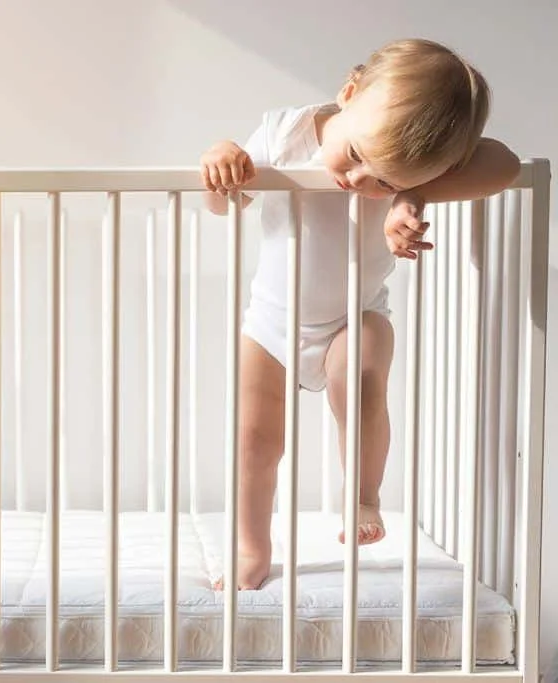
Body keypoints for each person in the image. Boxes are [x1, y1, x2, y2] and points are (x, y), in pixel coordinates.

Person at [199, 38, 520, 590]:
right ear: (347, 95)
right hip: (272, 324)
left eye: (385, 180)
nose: (358, 180)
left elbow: (508, 165)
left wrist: (413, 197)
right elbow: (224, 202)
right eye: (354, 156)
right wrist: (221, 158)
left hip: (355, 316)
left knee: (362, 377)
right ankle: (251, 546)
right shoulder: (284, 134)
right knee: (255, 439)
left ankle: (364, 497)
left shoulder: (407, 179)